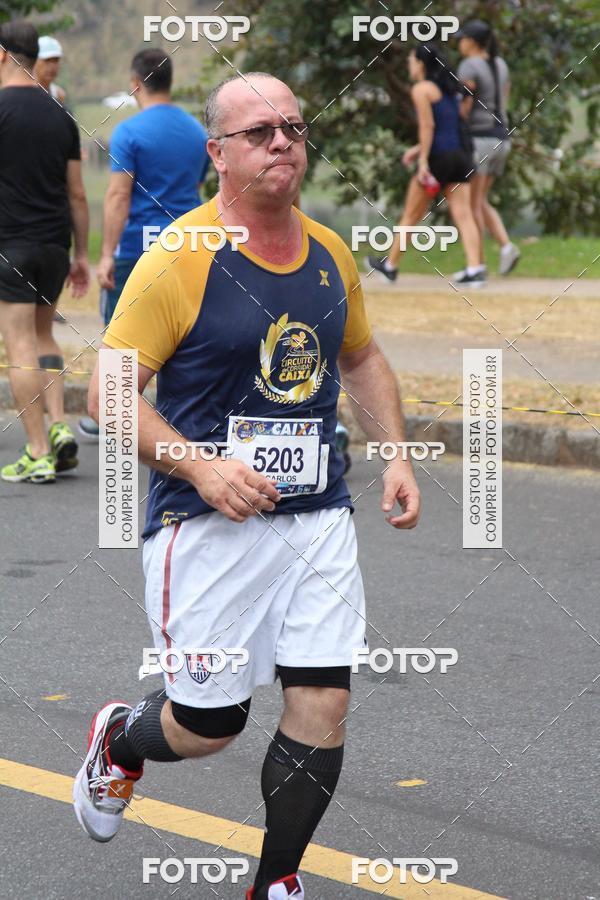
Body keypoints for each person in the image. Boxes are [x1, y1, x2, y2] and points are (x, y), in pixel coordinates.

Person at [73, 72, 421, 900]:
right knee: (209, 725)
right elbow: (106, 393)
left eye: (293, 128)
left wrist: (397, 455)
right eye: (260, 132)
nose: (282, 142)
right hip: (206, 523)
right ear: (218, 154)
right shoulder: (179, 258)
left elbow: (361, 356)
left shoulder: (330, 253)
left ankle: (276, 882)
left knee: (323, 703)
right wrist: (200, 464)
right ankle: (120, 740)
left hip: (317, 515)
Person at [78, 48, 209, 439]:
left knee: (122, 334)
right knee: (184, 334)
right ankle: (180, 419)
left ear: (135, 84)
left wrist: (105, 255)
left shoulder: (128, 132)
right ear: (170, 81)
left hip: (138, 249)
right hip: (189, 246)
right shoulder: (197, 132)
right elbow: (198, 187)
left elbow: (119, 196)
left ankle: (111, 416)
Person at [0, 22, 89, 484]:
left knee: (18, 345)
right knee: (43, 336)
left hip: (11, 246)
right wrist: (82, 255)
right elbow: (78, 193)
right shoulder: (61, 114)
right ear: (35, 57)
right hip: (56, 246)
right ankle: (57, 425)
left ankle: (36, 451)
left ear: (2, 55)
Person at [368, 43, 484, 287]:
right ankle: (475, 269)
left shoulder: (421, 89)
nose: (409, 65)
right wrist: (418, 149)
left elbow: (428, 126)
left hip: (438, 158)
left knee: (411, 214)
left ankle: (390, 267)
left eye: (411, 61)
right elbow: (447, 129)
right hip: (460, 157)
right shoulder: (449, 89)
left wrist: (423, 161)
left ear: (421, 64)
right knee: (464, 215)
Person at [457, 20, 520, 277]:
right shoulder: (501, 64)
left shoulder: (469, 66)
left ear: (472, 42)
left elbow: (465, 104)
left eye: (462, 39)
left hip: (480, 139)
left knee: (472, 204)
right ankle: (506, 248)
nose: (459, 43)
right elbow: (504, 96)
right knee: (481, 200)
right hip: (502, 138)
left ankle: (478, 265)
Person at [34, 35, 66, 104]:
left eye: (56, 60)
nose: (52, 66)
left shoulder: (59, 95)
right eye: (47, 60)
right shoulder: (24, 92)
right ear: (34, 61)